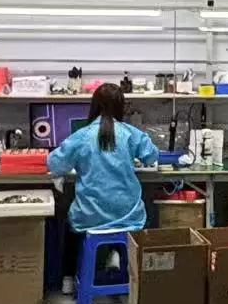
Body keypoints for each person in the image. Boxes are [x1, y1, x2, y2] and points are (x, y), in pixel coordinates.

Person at [47, 83, 159, 238]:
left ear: (94, 106)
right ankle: (125, 251)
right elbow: (152, 156)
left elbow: (55, 164)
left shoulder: (81, 136)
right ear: (121, 107)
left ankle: (82, 252)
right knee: (151, 207)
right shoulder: (131, 133)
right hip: (129, 217)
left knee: (62, 209)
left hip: (89, 218)